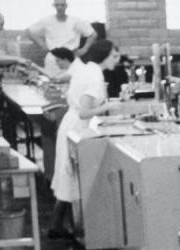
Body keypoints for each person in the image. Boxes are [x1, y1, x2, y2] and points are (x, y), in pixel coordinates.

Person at [49, 38, 120, 238]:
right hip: (77, 126)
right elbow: (84, 112)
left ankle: (58, 226)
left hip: (70, 125)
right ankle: (66, 226)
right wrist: (110, 106)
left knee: (67, 174)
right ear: (104, 55)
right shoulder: (95, 77)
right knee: (70, 174)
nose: (117, 59)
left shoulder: (86, 68)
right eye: (114, 56)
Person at [26, 0, 97, 78]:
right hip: (53, 57)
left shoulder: (75, 20)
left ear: (66, 6)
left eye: (62, 5)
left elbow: (93, 34)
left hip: (71, 56)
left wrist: (84, 49)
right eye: (57, 5)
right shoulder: (47, 20)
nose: (59, 7)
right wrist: (41, 43)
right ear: (54, 6)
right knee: (52, 82)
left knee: (74, 81)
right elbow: (29, 31)